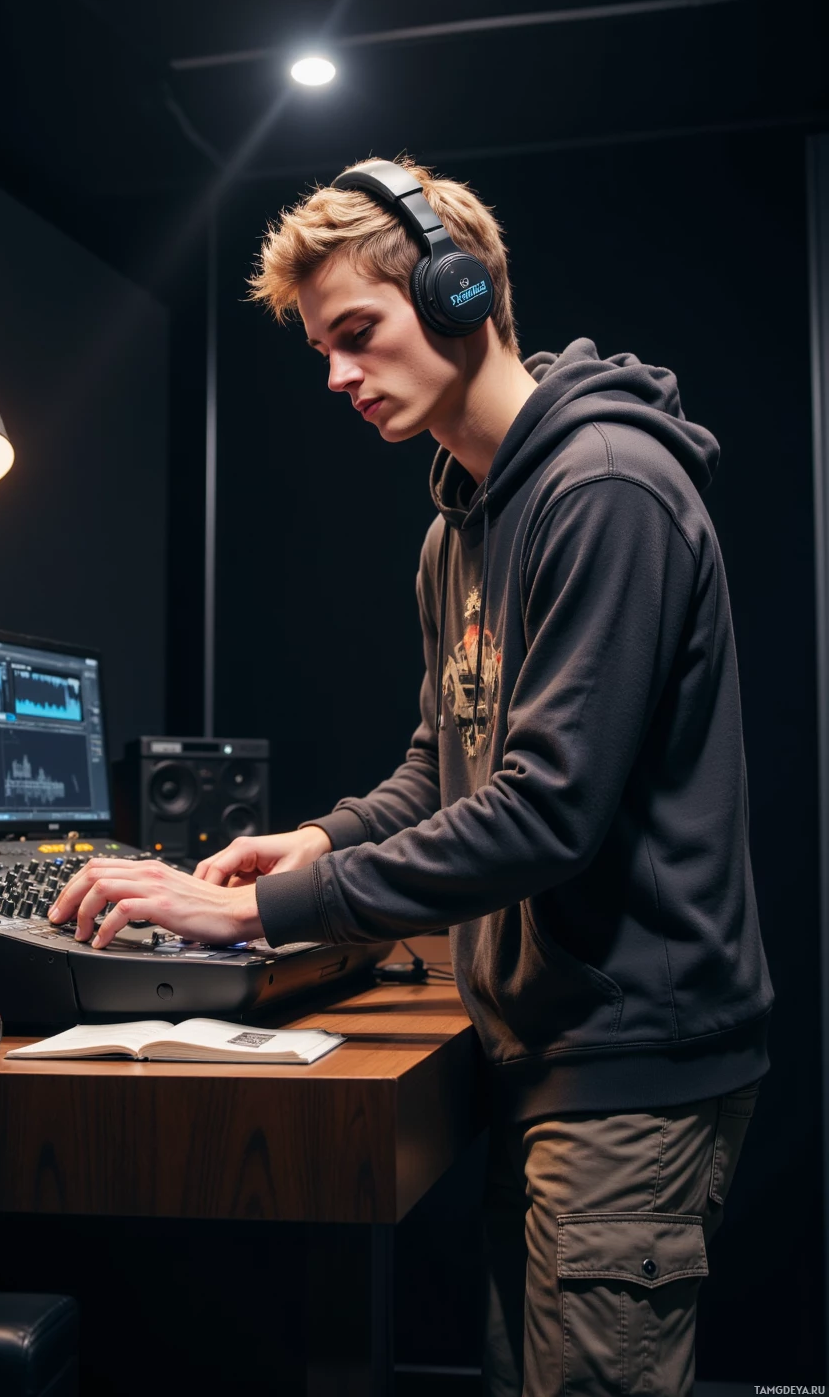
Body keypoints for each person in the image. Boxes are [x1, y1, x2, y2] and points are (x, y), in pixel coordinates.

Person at [50, 157, 772, 1396]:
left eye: (358, 334)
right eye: (322, 348)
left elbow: (544, 811)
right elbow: (445, 764)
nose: (335, 375)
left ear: (459, 293)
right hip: (545, 1057)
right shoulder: (460, 525)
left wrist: (252, 913)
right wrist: (315, 845)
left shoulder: (603, 490)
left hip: (632, 1067)